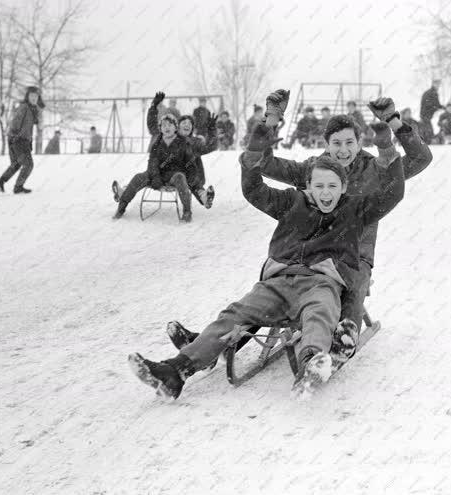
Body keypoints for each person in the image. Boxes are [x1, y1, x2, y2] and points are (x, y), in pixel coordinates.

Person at [128, 133, 405, 400]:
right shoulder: (290, 202)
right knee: (233, 315)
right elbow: (254, 190)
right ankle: (176, 370)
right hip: (276, 283)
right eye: (319, 186)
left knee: (320, 315)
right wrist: (253, 154)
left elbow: (392, 195)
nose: (326, 192)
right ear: (307, 185)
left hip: (321, 283)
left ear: (343, 188)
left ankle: (311, 363)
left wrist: (387, 149)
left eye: (333, 186)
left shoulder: (352, 209)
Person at [243, 90, 432, 335]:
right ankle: (228, 337)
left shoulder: (376, 168)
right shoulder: (314, 169)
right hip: (312, 250)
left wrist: (393, 120)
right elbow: (265, 164)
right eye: (336, 143)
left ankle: (347, 333)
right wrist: (270, 120)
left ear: (360, 142)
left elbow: (421, 157)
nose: (343, 150)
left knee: (355, 283)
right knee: (273, 289)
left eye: (349, 143)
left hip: (355, 252)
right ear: (326, 144)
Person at [112, 112, 195, 222]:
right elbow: (152, 162)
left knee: (180, 177)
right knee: (138, 177)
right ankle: (121, 207)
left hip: (174, 174)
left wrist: (191, 178)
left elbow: (190, 163)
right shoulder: (157, 144)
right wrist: (155, 177)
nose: (167, 128)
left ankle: (187, 212)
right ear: (160, 129)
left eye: (170, 125)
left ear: (176, 127)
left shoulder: (183, 143)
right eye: (164, 125)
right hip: (156, 173)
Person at [140, 92, 217, 210]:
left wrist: (212, 131)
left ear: (192, 128)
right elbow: (152, 126)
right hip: (164, 174)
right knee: (144, 176)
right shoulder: (167, 136)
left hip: (188, 176)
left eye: (190, 124)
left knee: (190, 180)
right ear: (177, 126)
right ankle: (124, 191)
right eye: (184, 123)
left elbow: (211, 147)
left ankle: (204, 196)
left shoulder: (193, 142)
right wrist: (154, 107)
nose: (187, 125)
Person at [0, 86, 45, 194]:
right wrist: (15, 136)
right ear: (27, 96)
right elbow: (15, 122)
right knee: (28, 164)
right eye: (31, 96)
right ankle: (18, 187)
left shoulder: (33, 109)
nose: (34, 98)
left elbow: (39, 125)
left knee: (17, 164)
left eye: (36, 96)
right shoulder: (24, 107)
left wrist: (40, 110)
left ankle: (0, 182)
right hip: (18, 139)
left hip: (21, 140)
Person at [420, 79, 444, 143]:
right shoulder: (430, 92)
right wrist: (436, 107)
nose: (438, 85)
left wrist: (443, 107)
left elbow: (437, 104)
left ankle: (430, 140)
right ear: (433, 84)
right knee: (428, 130)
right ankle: (429, 141)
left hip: (428, 115)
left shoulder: (434, 92)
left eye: (439, 84)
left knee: (428, 129)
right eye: (436, 83)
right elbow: (428, 104)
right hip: (425, 114)